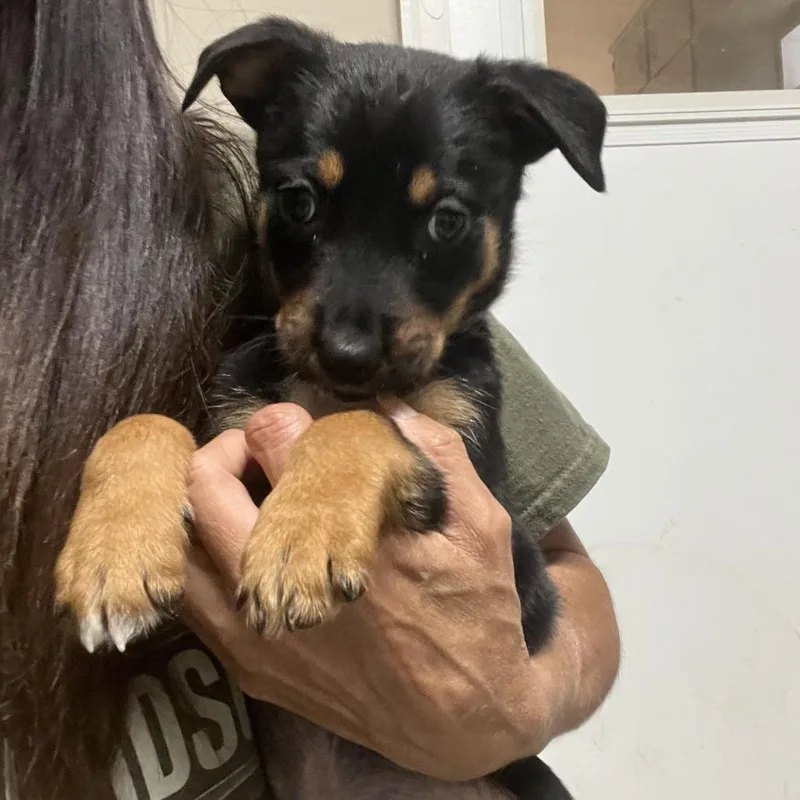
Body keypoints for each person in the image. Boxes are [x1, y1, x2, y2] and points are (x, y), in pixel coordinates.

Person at [0, 1, 619, 798]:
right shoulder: (250, 354)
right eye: (302, 207)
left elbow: (516, 543)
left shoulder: (456, 373)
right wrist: (134, 463)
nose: (354, 339)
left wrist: (509, 707)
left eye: (446, 221)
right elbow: (200, 476)